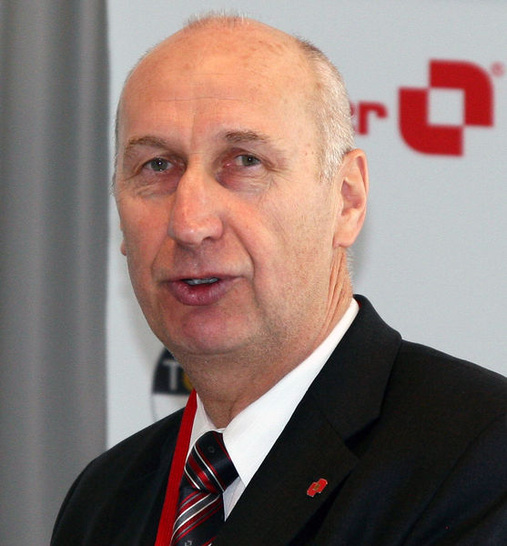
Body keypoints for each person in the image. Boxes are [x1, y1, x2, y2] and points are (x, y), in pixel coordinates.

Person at [52, 14, 507, 545]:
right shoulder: (103, 501)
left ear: (347, 199)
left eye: (245, 161)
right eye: (157, 166)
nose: (190, 222)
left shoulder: (481, 456)